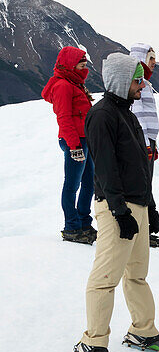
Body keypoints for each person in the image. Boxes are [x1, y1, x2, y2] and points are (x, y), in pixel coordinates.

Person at [73, 54, 159, 352]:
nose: (142, 84)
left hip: (137, 205)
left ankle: (142, 331)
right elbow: (104, 168)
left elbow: (139, 167)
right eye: (136, 79)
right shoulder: (102, 116)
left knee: (137, 274)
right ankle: (94, 341)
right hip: (117, 207)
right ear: (119, 81)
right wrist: (118, 210)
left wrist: (150, 207)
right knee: (105, 278)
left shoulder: (127, 114)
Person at [42, 46, 95, 244]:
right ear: (72, 65)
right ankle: (71, 227)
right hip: (74, 141)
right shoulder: (63, 85)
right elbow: (63, 117)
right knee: (72, 185)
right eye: (81, 65)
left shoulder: (75, 82)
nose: (85, 69)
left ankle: (83, 222)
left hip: (85, 139)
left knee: (89, 183)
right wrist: (74, 147)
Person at [128, 44, 159, 248]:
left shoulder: (144, 83)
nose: (154, 64)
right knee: (143, 183)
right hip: (143, 141)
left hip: (148, 140)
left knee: (146, 183)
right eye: (151, 60)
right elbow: (138, 114)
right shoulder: (138, 84)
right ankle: (142, 229)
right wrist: (145, 143)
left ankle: (145, 227)